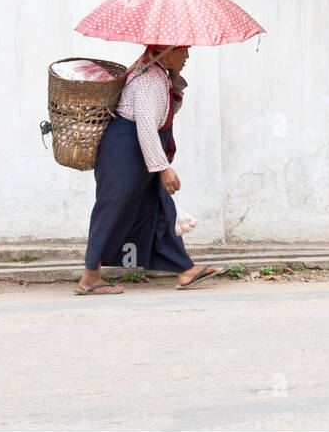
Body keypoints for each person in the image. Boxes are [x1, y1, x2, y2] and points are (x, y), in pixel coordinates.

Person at [75, 43, 222, 294]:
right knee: (113, 206)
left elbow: (165, 113)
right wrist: (163, 168)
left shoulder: (158, 76)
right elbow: (145, 125)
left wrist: (175, 80)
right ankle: (90, 278)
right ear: (167, 51)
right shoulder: (147, 79)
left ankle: (184, 269)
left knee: (160, 205)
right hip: (125, 150)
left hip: (137, 147)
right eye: (183, 50)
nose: (187, 56)